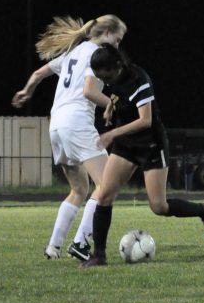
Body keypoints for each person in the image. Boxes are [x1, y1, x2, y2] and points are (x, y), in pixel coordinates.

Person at [81, 46, 204, 268]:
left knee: (158, 206)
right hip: (127, 145)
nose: (103, 81)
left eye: (105, 76)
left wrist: (112, 134)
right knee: (104, 195)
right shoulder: (112, 78)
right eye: (99, 78)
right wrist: (109, 109)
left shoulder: (139, 78)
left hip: (151, 145)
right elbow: (117, 96)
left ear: (117, 66)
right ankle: (98, 255)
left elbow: (145, 120)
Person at [12, 14, 127, 261]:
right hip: (76, 123)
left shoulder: (73, 53)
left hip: (56, 126)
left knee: (79, 189)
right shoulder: (95, 54)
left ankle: (53, 247)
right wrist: (114, 106)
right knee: (106, 185)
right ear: (106, 33)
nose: (117, 46)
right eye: (117, 40)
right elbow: (88, 91)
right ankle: (81, 243)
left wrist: (26, 92)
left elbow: (38, 73)